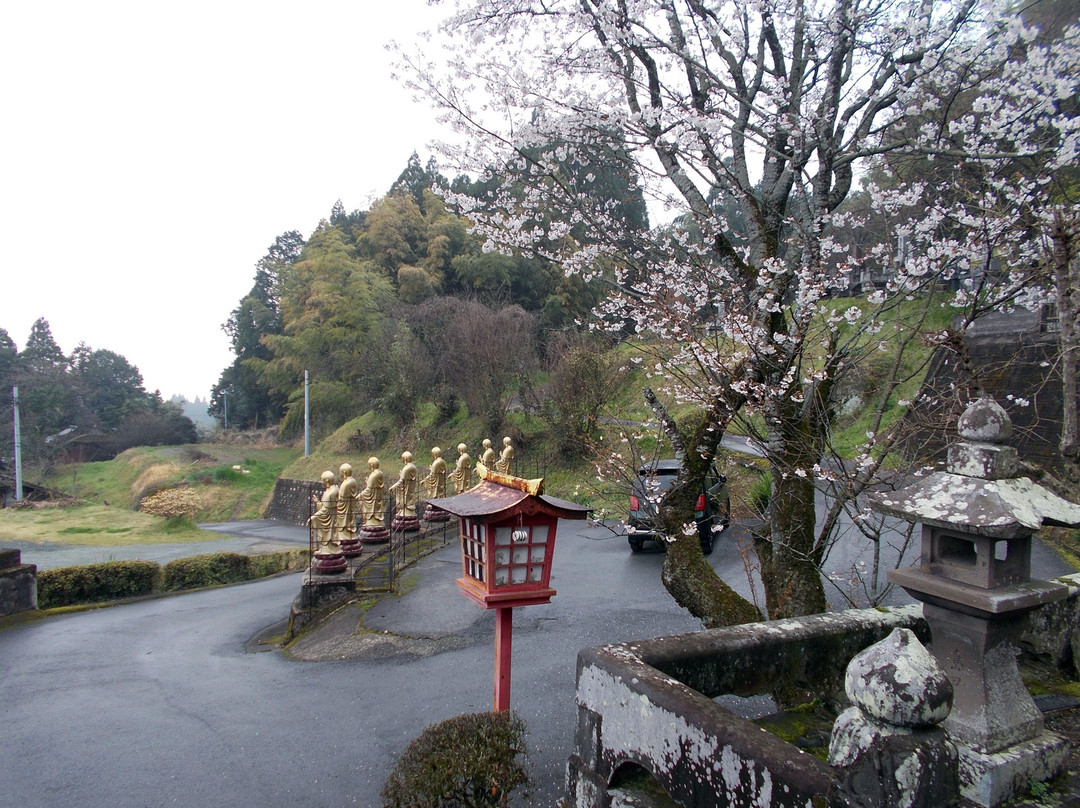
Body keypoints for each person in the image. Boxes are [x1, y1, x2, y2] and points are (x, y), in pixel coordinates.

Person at [307, 470, 339, 551]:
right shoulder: (334, 489)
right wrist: (318, 502)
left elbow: (325, 510)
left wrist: (313, 517)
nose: (322, 482)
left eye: (323, 480)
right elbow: (327, 506)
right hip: (332, 515)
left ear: (327, 480)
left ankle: (329, 549)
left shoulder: (330, 493)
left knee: (329, 535)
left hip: (330, 519)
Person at [389, 451, 419, 518]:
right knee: (409, 497)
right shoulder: (413, 467)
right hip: (411, 487)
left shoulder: (406, 468)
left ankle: (405, 510)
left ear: (405, 459)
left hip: (406, 488)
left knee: (405, 498)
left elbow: (401, 481)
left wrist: (393, 487)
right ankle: (407, 509)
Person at [359, 457, 385, 527]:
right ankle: (376, 520)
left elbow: (369, 489)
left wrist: (360, 495)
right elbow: (373, 486)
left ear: (372, 465)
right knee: (377, 507)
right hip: (378, 495)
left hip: (373, 497)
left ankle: (372, 521)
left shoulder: (373, 475)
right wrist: (368, 483)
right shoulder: (380, 473)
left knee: (373, 510)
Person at [336, 463, 358, 543]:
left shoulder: (345, 484)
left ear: (344, 472)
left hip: (344, 507)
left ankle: (344, 534)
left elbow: (341, 499)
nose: (341, 474)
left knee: (344, 520)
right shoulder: (353, 481)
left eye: (341, 472)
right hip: (350, 505)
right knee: (350, 518)